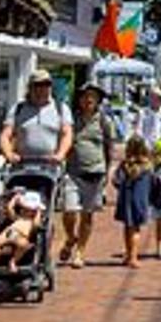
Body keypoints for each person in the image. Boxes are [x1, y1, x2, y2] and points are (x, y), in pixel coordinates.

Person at [58, 83, 118, 267]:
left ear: (98, 100)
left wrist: (108, 171)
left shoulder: (104, 121)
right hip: (73, 172)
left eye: (92, 97)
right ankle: (70, 238)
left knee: (87, 215)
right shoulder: (72, 120)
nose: (88, 100)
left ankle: (80, 253)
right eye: (85, 96)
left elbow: (110, 147)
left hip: (95, 172)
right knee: (69, 211)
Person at [0, 69, 72, 170]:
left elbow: (67, 134)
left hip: (51, 167)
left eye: (46, 84)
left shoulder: (61, 108)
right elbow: (5, 135)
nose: (42, 88)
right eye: (38, 85)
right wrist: (9, 154)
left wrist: (61, 154)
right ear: (30, 87)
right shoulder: (18, 108)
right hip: (21, 167)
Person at [113, 135, 152, 267]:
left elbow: (116, 181)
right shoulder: (148, 165)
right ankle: (133, 257)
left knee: (127, 228)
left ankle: (129, 255)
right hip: (141, 199)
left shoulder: (125, 164)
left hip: (126, 199)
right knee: (136, 229)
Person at [0, 186, 46, 274]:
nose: (25, 212)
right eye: (23, 209)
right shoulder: (17, 218)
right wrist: (15, 199)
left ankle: (13, 261)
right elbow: (9, 209)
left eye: (29, 210)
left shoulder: (31, 222)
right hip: (9, 233)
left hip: (21, 236)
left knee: (22, 245)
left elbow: (36, 225)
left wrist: (38, 212)